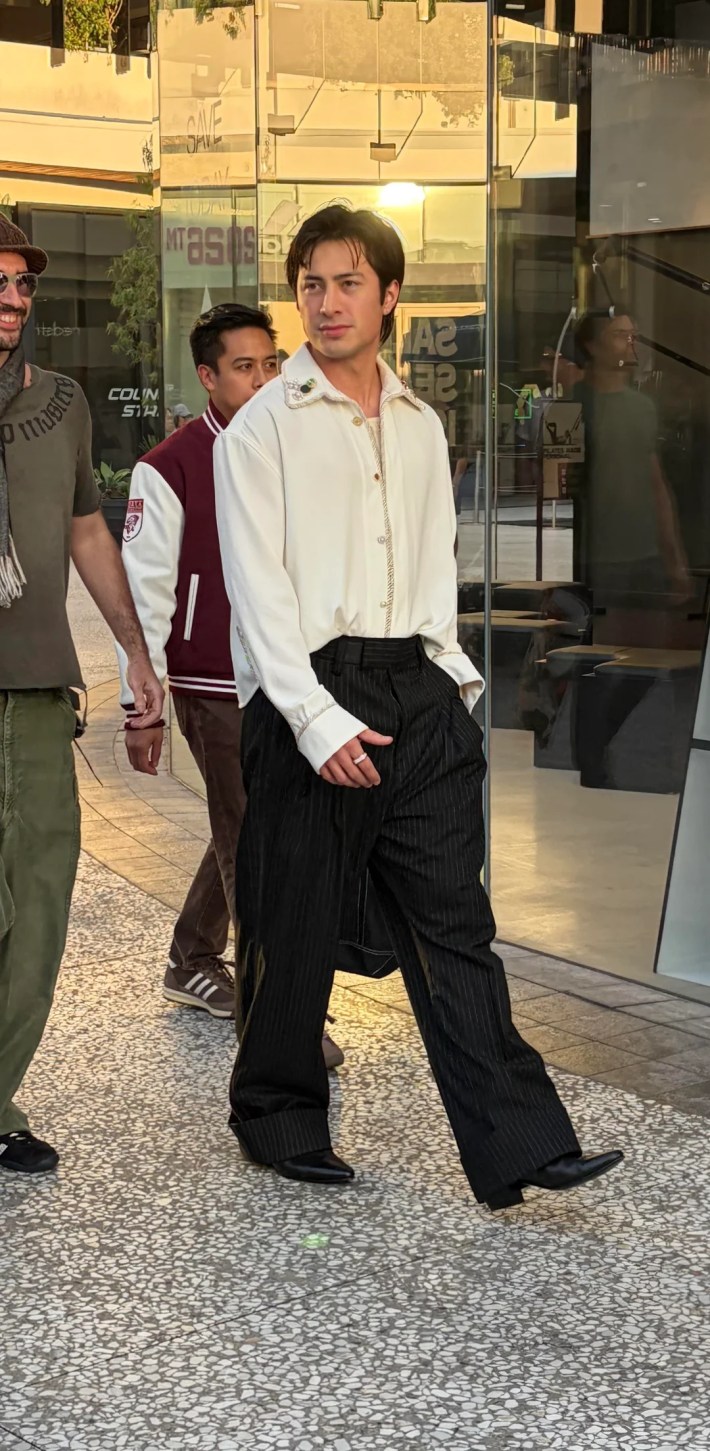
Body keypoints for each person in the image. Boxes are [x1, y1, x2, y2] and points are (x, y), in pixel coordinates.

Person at [213, 203, 623, 1207]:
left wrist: (454, 681)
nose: (326, 300)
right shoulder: (262, 426)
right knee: (292, 921)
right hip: (309, 683)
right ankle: (277, 1117)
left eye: (347, 281)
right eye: (310, 282)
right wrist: (313, 719)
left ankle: (518, 1142)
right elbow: (255, 589)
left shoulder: (418, 422)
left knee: (453, 923)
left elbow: (432, 563)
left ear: (389, 296)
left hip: (416, 689)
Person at [118, 302, 344, 1070]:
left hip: (291, 671)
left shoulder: (292, 443)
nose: (262, 378)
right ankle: (277, 1014)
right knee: (256, 842)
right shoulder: (172, 464)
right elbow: (145, 590)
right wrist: (139, 703)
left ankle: (190, 961)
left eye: (270, 362)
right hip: (213, 681)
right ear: (207, 376)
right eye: (243, 367)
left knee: (245, 824)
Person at [0, 219, 164, 1175]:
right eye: (0, 283)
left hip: (34, 693)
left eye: (23, 286)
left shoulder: (60, 403)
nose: (14, 301)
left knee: (41, 904)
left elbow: (87, 534)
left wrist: (136, 653)